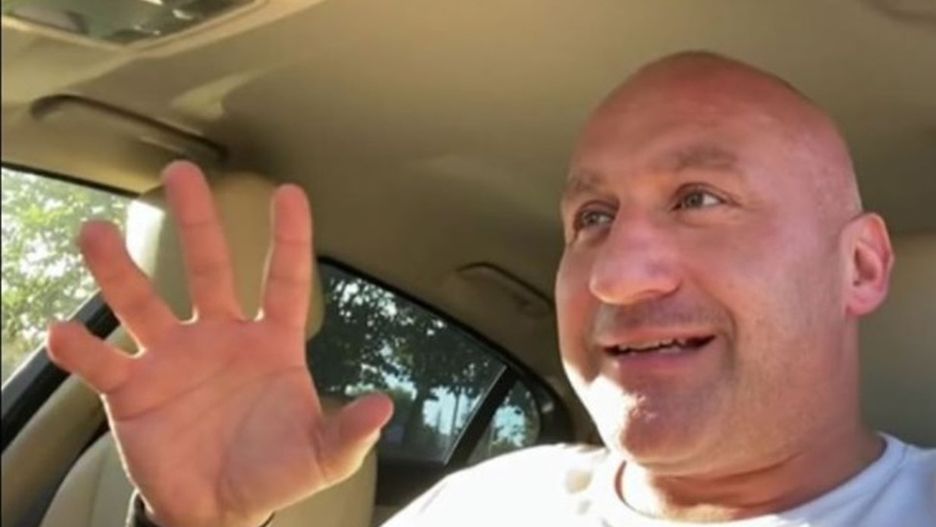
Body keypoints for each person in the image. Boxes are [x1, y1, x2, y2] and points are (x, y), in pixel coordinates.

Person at [46, 51, 935, 527]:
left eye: (699, 198)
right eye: (592, 217)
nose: (616, 275)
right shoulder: (489, 502)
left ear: (859, 266)